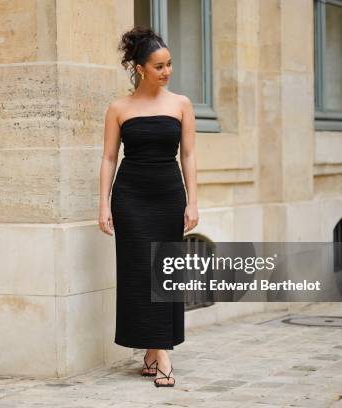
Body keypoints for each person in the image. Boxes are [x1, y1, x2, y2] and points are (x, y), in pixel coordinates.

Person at [98, 26, 199, 388]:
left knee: (165, 271)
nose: (166, 71)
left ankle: (156, 352)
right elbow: (109, 158)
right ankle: (161, 353)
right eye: (159, 66)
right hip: (130, 197)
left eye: (169, 64)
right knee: (139, 272)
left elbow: (188, 155)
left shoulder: (181, 104)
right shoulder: (118, 108)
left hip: (168, 195)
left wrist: (192, 202)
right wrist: (104, 205)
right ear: (140, 68)